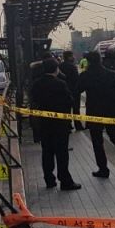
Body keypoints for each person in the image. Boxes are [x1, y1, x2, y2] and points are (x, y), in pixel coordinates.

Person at [30, 58, 81, 191]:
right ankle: (65, 181)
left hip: (44, 124)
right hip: (60, 125)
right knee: (61, 153)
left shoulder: (36, 84)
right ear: (56, 69)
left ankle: (49, 179)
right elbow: (70, 101)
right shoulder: (60, 84)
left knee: (47, 152)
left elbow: (33, 101)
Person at [78, 50, 115, 177]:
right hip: (112, 112)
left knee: (97, 142)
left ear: (88, 61)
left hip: (94, 112)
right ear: (100, 60)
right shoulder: (113, 74)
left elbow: (78, 89)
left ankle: (103, 169)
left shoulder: (85, 75)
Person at [60, 50, 82, 130]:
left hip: (64, 90)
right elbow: (76, 79)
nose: (74, 57)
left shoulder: (60, 66)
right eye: (72, 56)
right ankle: (78, 125)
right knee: (76, 109)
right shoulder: (73, 66)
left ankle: (68, 125)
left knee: (66, 109)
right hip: (74, 91)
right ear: (69, 57)